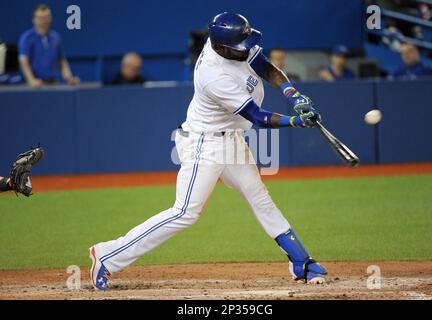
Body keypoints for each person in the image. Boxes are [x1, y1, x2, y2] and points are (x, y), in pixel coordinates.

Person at [89, 12, 327, 291]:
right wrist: (295, 121)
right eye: (240, 46)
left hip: (231, 139)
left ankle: (301, 261)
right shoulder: (213, 75)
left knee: (258, 195)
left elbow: (265, 66)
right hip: (205, 145)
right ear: (222, 48)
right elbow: (258, 116)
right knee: (184, 213)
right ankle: (107, 255)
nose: (246, 48)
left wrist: (292, 94)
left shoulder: (231, 43)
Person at [18, 4, 80, 87]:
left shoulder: (56, 37)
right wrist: (31, 80)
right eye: (41, 18)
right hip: (35, 85)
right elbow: (23, 61)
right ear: (34, 20)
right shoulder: (27, 38)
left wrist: (69, 78)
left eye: (46, 18)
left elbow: (61, 61)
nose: (44, 21)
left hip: (53, 83)